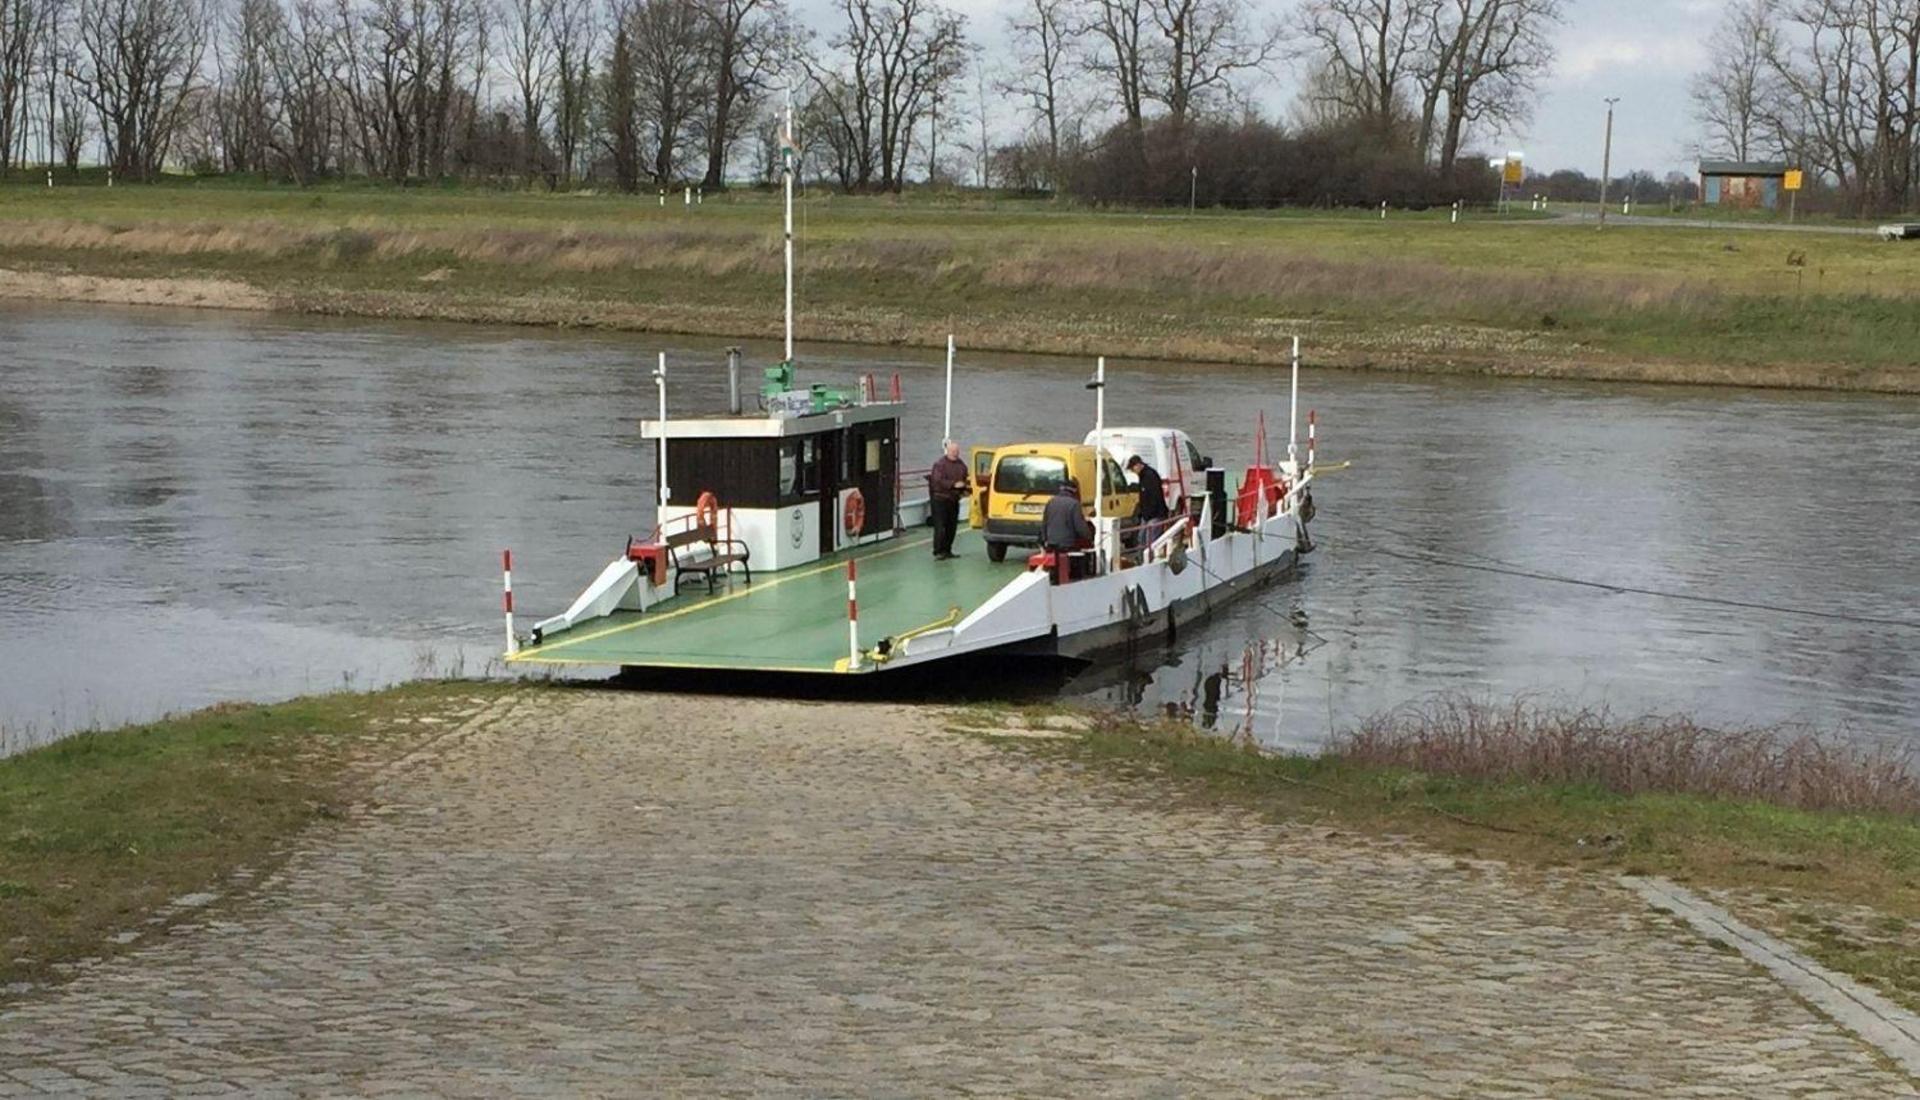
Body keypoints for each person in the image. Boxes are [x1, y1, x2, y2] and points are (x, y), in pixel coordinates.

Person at [926, 440, 970, 560]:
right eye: (953, 451)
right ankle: (938, 551)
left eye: (957, 451)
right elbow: (937, 481)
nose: (955, 453)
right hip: (940, 499)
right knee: (940, 527)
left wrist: (966, 488)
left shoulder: (961, 465)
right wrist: (954, 484)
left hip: (954, 500)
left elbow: (966, 477)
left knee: (952, 527)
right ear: (948, 451)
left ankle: (947, 549)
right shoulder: (940, 464)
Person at [1127, 454, 1170, 546]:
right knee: (1141, 538)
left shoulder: (1150, 476)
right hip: (1147, 515)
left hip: (1155, 514)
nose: (1133, 472)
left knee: (1150, 540)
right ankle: (1142, 557)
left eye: (1132, 469)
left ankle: (1150, 558)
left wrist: (1148, 514)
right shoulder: (1144, 476)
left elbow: (1154, 496)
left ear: (1138, 465)